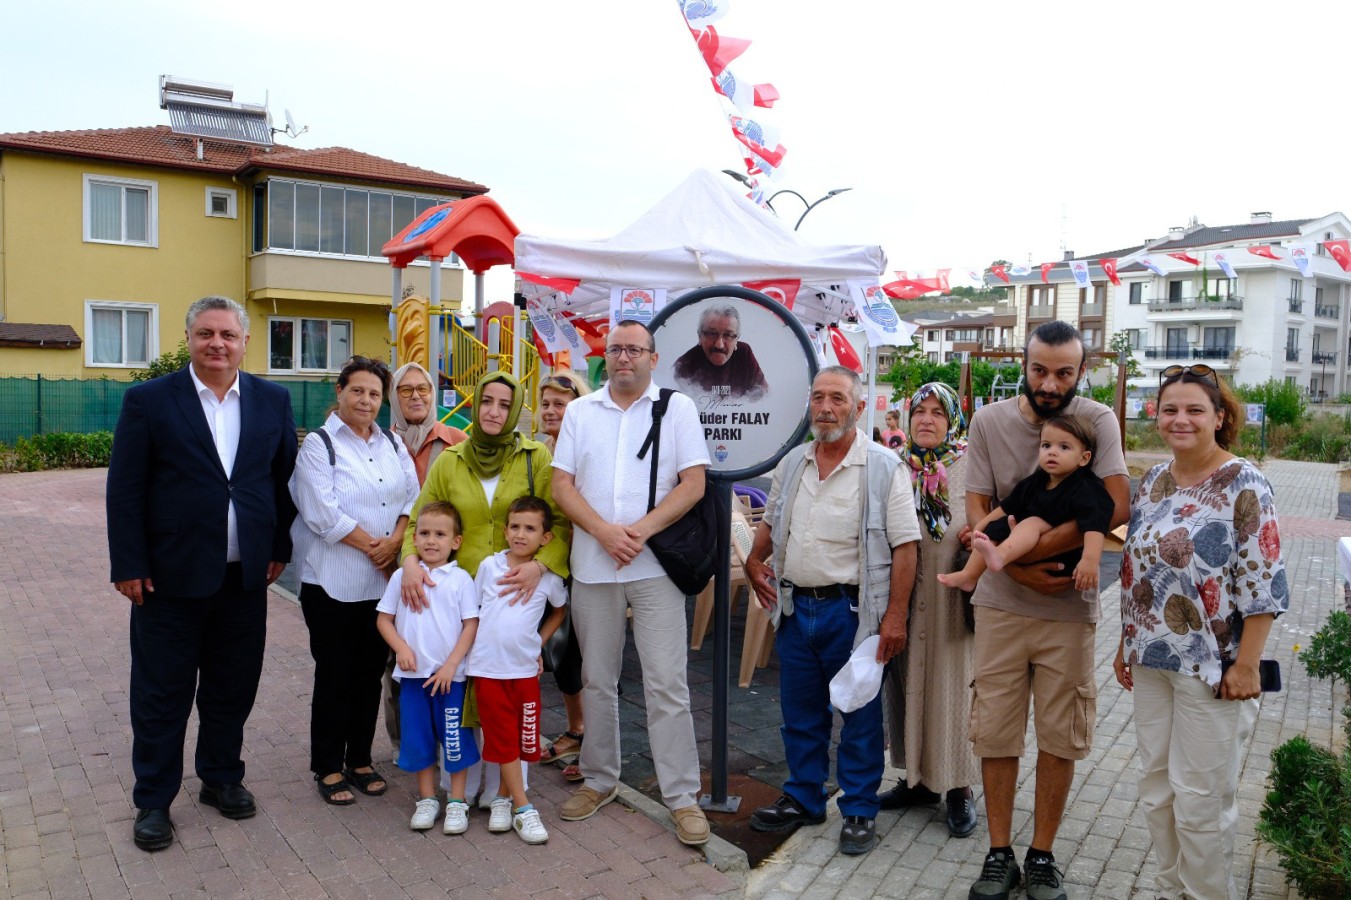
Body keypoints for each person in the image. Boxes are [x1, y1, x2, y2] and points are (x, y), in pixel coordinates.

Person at [107, 295, 298, 852]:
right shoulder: (149, 401)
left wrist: (279, 546)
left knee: (231, 688)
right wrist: (129, 564)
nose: (218, 344)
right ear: (189, 338)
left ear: (244, 342)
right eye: (206, 334)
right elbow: (125, 489)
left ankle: (220, 777)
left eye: (228, 335)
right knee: (161, 693)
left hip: (245, 580)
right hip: (167, 581)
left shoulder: (271, 399)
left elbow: (282, 482)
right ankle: (153, 800)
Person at [962, 321, 1129, 900]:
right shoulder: (989, 422)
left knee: (1061, 735)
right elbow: (979, 506)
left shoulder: (1097, 421)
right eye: (1039, 369)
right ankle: (999, 852)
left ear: (1080, 370)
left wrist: (1028, 558)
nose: (1050, 382)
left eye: (1063, 371)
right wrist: (1015, 568)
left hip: (1067, 608)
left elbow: (1114, 505)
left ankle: (1042, 855)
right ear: (1024, 365)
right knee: (996, 731)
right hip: (1001, 608)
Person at [1114, 364, 1287, 900]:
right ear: (1156, 416)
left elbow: (1264, 579)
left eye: (1194, 410)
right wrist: (1126, 643)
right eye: (1170, 409)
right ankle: (1171, 891)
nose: (1180, 419)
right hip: (1151, 661)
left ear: (1219, 417)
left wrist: (1247, 665)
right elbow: (1137, 570)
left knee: (1201, 802)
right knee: (1157, 793)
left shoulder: (1244, 482)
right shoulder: (1154, 482)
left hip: (1214, 669)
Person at [743, 366, 921, 856]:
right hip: (796, 607)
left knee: (860, 718)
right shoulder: (794, 463)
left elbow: (906, 547)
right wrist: (754, 558)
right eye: (818, 398)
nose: (825, 407)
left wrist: (896, 616)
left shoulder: (884, 467)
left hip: (853, 611)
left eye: (837, 399)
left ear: (859, 408)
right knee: (800, 715)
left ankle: (860, 809)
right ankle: (805, 798)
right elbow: (773, 520)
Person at [551, 319, 712, 847]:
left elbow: (693, 484)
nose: (624, 357)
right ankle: (599, 780)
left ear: (653, 357)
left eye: (634, 349)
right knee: (597, 680)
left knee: (667, 684)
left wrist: (638, 532)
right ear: (606, 356)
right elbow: (562, 486)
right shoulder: (580, 411)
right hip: (595, 567)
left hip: (655, 566)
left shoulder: (678, 408)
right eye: (616, 349)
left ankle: (682, 797)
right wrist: (603, 532)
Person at [399, 371, 571, 807]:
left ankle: (508, 790)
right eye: (487, 402)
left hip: (514, 597)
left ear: (514, 411)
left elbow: (562, 522)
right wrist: (411, 562)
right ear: (475, 406)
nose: (493, 411)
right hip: (458, 595)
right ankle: (466, 782)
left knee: (506, 689)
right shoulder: (450, 460)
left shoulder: (536, 459)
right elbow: (419, 519)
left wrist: (541, 565)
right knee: (465, 687)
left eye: (503, 404)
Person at [290, 355, 421, 806]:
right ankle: (327, 765)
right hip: (332, 583)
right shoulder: (319, 446)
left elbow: (413, 498)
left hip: (381, 587)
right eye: (357, 391)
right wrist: (377, 548)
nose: (365, 400)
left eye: (374, 393)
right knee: (335, 676)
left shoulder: (391, 442)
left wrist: (398, 540)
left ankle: (361, 760)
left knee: (369, 676)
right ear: (340, 393)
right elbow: (323, 514)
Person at [879, 382, 981, 838]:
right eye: (918, 411)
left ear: (953, 420)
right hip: (905, 601)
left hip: (952, 601)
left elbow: (995, 521)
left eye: (938, 412)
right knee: (908, 684)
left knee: (953, 687)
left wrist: (977, 537)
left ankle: (959, 787)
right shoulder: (895, 467)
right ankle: (917, 781)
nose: (926, 420)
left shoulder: (972, 468)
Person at [465, 496, 569, 844]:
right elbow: (475, 613)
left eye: (530, 528)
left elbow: (559, 611)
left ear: (545, 538)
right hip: (488, 669)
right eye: (514, 526)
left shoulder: (548, 577)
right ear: (505, 530)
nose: (520, 534)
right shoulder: (489, 567)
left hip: (524, 671)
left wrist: (538, 642)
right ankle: (523, 808)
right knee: (501, 737)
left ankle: (504, 797)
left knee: (525, 741)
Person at [380, 362, 469, 762]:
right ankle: (407, 747)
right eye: (405, 390)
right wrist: (402, 559)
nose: (416, 396)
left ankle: (451, 746)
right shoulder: (379, 443)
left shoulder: (456, 441)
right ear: (392, 398)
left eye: (423, 389)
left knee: (446, 658)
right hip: (386, 570)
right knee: (398, 666)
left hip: (443, 576)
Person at [375, 501, 480, 833]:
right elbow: (384, 620)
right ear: (414, 538)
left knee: (454, 739)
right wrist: (401, 648)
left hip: (450, 680)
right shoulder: (402, 579)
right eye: (424, 533)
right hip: (413, 680)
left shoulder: (461, 580)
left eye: (440, 534)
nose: (431, 541)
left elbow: (471, 625)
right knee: (418, 740)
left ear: (456, 542)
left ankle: (458, 802)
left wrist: (451, 665)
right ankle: (426, 799)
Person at [938, 414, 1111, 596]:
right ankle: (970, 575)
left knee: (1032, 522)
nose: (1052, 452)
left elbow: (1095, 524)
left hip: (1064, 556)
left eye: (1064, 447)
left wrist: (1090, 560)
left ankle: (1000, 556)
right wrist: (979, 529)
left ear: (1084, 458)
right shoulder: (1036, 481)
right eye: (1046, 445)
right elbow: (1006, 507)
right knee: (997, 526)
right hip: (1026, 545)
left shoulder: (1087, 487)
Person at [534, 372, 593, 782]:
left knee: (586, 660)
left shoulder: (587, 450)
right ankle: (577, 730)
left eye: (561, 404)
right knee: (563, 656)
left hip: (587, 567)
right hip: (556, 567)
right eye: (547, 404)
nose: (552, 411)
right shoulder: (542, 452)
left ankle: (594, 744)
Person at [671, 302, 769, 401]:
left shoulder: (744, 354)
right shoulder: (684, 366)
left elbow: (764, 398)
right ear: (700, 336)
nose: (719, 345)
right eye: (712, 334)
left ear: (737, 339)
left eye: (728, 335)